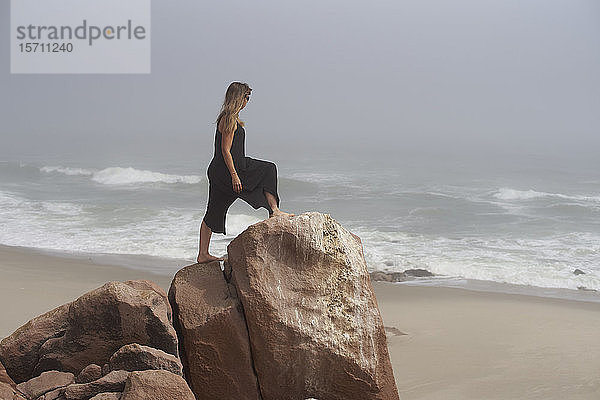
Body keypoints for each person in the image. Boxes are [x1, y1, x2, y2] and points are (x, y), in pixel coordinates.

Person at [196, 82, 295, 264]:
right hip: (227, 170)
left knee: (213, 211)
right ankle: (274, 211)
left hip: (224, 169)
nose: (247, 101)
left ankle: (203, 254)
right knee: (269, 169)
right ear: (237, 97)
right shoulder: (228, 119)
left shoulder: (230, 119)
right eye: (245, 97)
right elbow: (226, 150)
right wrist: (234, 175)